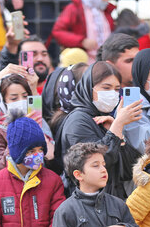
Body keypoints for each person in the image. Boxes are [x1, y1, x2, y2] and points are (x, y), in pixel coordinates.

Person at [60, 61, 142, 199]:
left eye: (116, 89)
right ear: (89, 88)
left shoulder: (105, 118)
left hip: (112, 203)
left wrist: (118, 134)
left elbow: (129, 170)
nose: (112, 94)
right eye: (106, 88)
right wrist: (118, 125)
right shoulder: (78, 120)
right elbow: (95, 164)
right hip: (88, 206)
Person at [0, 73, 54, 173]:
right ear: (4, 102)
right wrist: (18, 131)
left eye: (25, 96)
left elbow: (52, 159)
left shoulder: (38, 120)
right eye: (14, 99)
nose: (21, 101)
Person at [51, 0, 115, 62]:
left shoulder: (104, 10)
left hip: (104, 58)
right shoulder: (74, 8)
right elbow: (58, 31)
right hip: (82, 59)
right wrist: (82, 41)